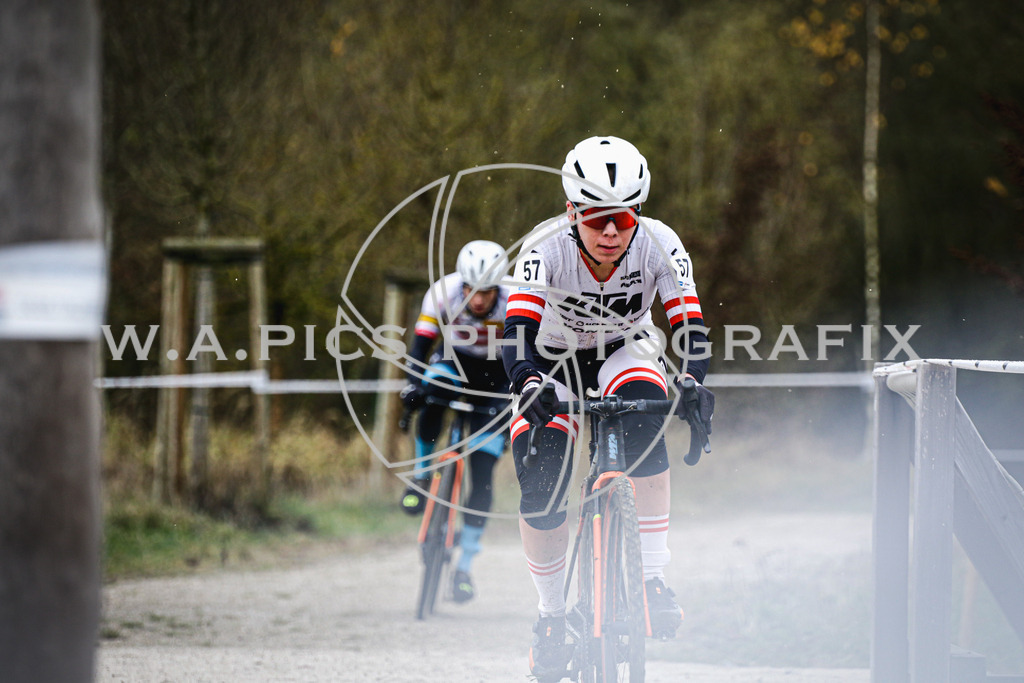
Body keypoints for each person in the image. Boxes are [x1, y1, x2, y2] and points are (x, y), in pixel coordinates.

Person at [502, 135, 715, 680]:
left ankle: (651, 578)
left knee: (650, 412)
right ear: (571, 211)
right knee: (542, 484)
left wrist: (691, 380)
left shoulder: (660, 244)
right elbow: (516, 336)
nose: (612, 233)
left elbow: (689, 326)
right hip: (550, 359)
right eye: (597, 220)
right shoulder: (542, 249)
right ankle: (551, 617)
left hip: (625, 348)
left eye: (623, 218)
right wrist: (527, 383)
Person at [399, 239, 513, 603]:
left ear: (498, 288)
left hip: (498, 374)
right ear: (460, 284)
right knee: (432, 392)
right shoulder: (442, 293)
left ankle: (464, 567)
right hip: (454, 360)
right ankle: (420, 476)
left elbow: (526, 352)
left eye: (486, 292)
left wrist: (514, 403)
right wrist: (413, 385)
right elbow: (420, 346)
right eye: (470, 291)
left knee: (483, 468)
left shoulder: (515, 300)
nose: (477, 301)